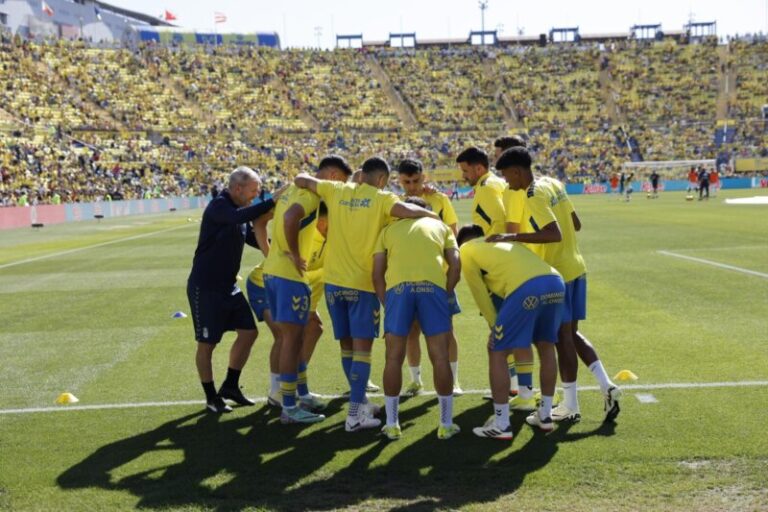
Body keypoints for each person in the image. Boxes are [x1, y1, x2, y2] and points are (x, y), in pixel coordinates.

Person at [294, 156, 439, 433]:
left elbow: (302, 179)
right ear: (382, 179)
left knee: (347, 346)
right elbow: (408, 210)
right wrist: (432, 216)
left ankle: (360, 403)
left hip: (333, 283)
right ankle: (354, 417)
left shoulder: (336, 189)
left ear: (361, 176)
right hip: (362, 284)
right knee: (362, 351)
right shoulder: (383, 199)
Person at [492, 147, 622, 423]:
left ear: (516, 171)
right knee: (571, 335)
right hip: (577, 267)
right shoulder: (553, 183)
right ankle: (607, 385)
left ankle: (570, 406)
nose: (506, 181)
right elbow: (576, 223)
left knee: (561, 340)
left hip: (559, 274)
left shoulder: (532, 194)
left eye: (506, 175)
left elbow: (554, 234)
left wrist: (513, 237)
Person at [263, 156, 352, 424]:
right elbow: (291, 218)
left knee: (297, 337)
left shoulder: (292, 189)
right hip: (288, 276)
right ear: (333, 177)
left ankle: (301, 395)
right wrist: (294, 252)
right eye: (341, 182)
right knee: (292, 340)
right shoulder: (312, 195)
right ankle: (289, 407)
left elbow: (272, 217)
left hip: (273, 272)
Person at [458, 225, 564, 439]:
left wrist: (494, 327)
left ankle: (502, 424)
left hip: (527, 287)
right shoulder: (497, 242)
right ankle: (545, 416)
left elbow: (480, 295)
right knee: (546, 346)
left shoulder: (465, 251)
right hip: (555, 282)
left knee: (497, 350)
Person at [187, 167, 277, 414]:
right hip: (206, 287)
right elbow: (239, 217)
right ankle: (211, 397)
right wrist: (272, 202)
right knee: (207, 344)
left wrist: (282, 246)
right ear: (238, 188)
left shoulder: (238, 212)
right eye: (253, 191)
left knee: (249, 333)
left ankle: (230, 386)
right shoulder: (220, 206)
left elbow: (254, 239)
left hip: (229, 287)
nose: (256, 195)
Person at [373, 197, 462, 441]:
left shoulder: (387, 230)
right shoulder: (441, 226)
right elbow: (456, 266)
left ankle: (392, 424)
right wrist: (445, 293)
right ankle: (446, 424)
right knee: (440, 356)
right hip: (433, 289)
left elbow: (377, 274)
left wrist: (388, 302)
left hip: (398, 291)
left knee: (393, 357)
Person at [396, 159, 463, 397]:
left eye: (416, 181)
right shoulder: (395, 203)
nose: (412, 187)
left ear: (424, 177)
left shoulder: (439, 199)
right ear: (399, 181)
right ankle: (415, 381)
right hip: (407, 276)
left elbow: (452, 233)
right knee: (411, 331)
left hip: (438, 276)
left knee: (446, 329)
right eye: (407, 182)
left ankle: (453, 381)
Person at [457, 147, 506, 236]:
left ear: (479, 169)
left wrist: (486, 244)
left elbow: (502, 223)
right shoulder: (498, 181)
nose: (463, 176)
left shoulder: (485, 188)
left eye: (465, 171)